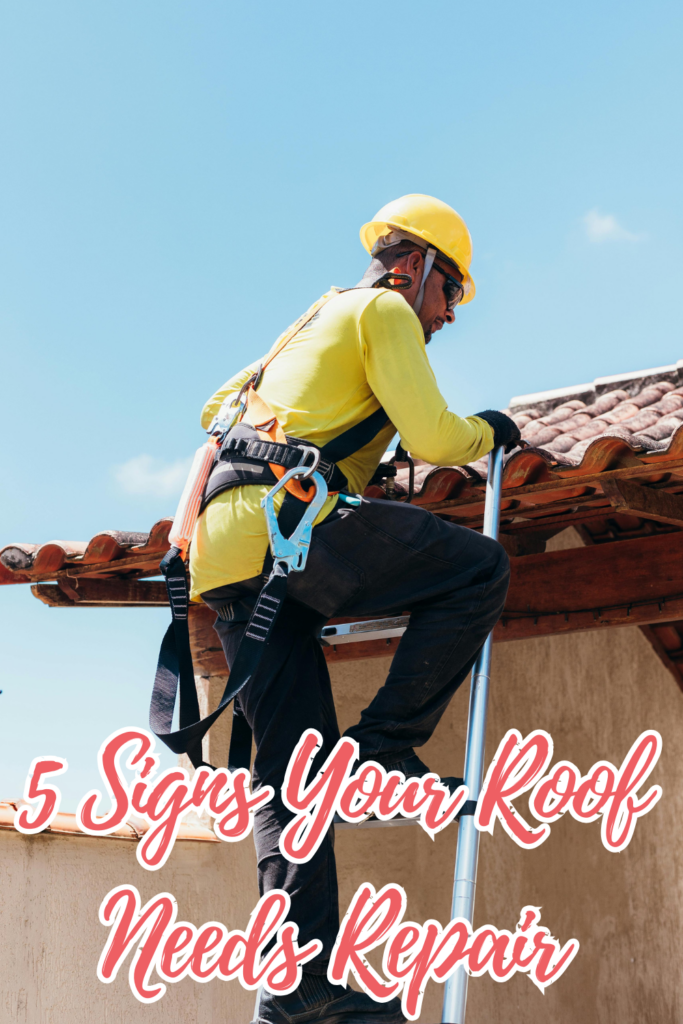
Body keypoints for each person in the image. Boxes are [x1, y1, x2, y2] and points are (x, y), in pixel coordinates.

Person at [190, 194, 518, 1024]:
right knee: (477, 569)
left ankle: (295, 992)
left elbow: (212, 413)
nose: (446, 317)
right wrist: (492, 432)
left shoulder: (309, 320)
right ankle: (381, 752)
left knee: (291, 783)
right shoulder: (384, 310)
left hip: (230, 557)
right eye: (449, 295)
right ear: (416, 269)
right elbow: (441, 440)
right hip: (290, 526)